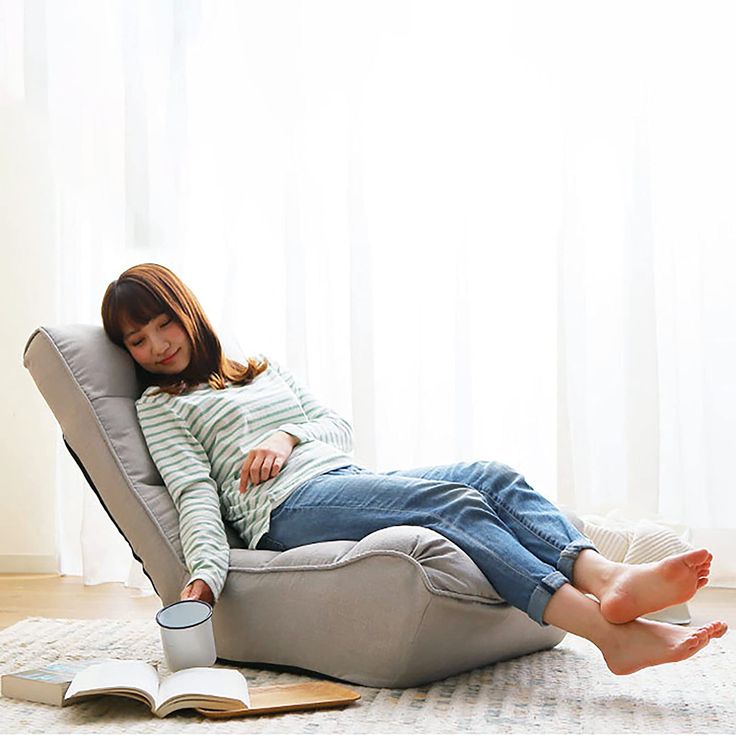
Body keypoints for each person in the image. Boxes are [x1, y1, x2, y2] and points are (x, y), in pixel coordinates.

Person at [101, 263, 727, 676]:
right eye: (137, 340)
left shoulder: (260, 371)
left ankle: (607, 574)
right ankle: (605, 633)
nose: (157, 345)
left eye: (163, 323)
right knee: (451, 504)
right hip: (282, 510)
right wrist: (205, 576)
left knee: (491, 474)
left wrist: (285, 434)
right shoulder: (161, 407)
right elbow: (193, 494)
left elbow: (334, 426)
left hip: (338, 479)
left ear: (187, 311)